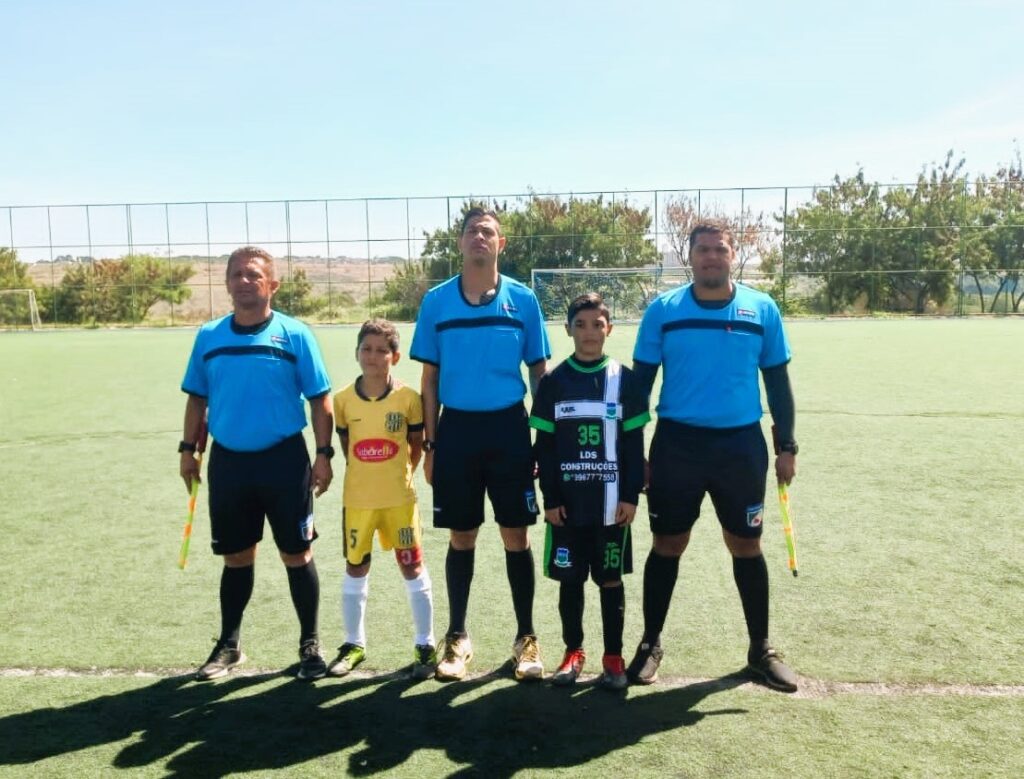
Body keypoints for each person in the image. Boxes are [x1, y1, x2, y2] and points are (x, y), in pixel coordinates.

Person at [627, 222, 800, 692]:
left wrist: (787, 446)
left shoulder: (761, 309)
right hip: (677, 446)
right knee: (667, 544)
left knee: (746, 545)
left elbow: (777, 383)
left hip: (740, 448)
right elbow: (639, 390)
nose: (711, 257)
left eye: (719, 249)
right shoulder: (663, 311)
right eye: (702, 250)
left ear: (732, 254)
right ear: (690, 256)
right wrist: (634, 453)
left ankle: (760, 650)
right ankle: (650, 643)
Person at [179, 245, 334, 682]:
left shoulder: (295, 334)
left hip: (284, 461)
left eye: (253, 275)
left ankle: (310, 644)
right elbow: (197, 399)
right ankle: (229, 645)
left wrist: (324, 455)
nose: (244, 282)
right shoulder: (209, 336)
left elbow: (320, 400)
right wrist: (187, 450)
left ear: (273, 285)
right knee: (236, 557)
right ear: (227, 282)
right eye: (237, 275)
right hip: (229, 464)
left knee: (297, 554)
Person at [410, 207, 551, 682]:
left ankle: (526, 639)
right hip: (457, 433)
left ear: (500, 243)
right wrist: (431, 445)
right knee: (461, 535)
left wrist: (543, 437)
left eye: (488, 231)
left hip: (509, 429)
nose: (479, 237)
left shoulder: (523, 299)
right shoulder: (436, 302)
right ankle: (457, 639)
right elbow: (429, 380)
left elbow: (539, 372)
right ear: (461, 242)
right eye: (472, 231)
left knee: (517, 534)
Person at [530, 293, 649, 690]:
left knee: (610, 580)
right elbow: (545, 448)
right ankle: (573, 652)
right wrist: (550, 499)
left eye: (597, 324)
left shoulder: (624, 380)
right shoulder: (553, 382)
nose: (589, 333)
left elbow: (633, 445)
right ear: (568, 330)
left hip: (611, 505)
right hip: (568, 505)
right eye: (580, 325)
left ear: (608, 329)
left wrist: (630, 496)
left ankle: (613, 657)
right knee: (571, 580)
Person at [328, 318, 435, 679]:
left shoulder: (409, 399)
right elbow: (348, 447)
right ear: (357, 352)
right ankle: (353, 643)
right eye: (366, 349)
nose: (372, 356)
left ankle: (425, 643)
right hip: (358, 501)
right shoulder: (342, 400)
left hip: (399, 501)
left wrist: (400, 474)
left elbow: (415, 446)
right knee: (356, 566)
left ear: (395, 356)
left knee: (411, 565)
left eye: (381, 350)